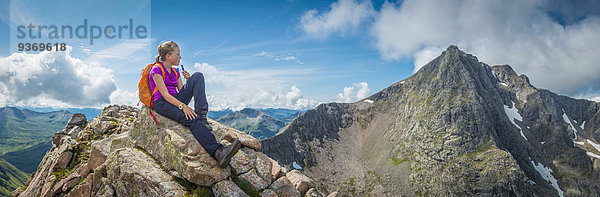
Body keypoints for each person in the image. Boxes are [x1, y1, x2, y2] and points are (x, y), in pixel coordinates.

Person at [150, 41, 241, 168]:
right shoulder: (156, 70)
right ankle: (218, 152)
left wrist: (189, 81)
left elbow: (182, 92)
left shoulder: (175, 72)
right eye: (178, 54)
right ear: (168, 56)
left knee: (197, 76)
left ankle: (202, 115)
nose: (180, 57)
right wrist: (183, 106)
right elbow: (165, 95)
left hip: (175, 99)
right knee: (192, 119)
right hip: (162, 103)